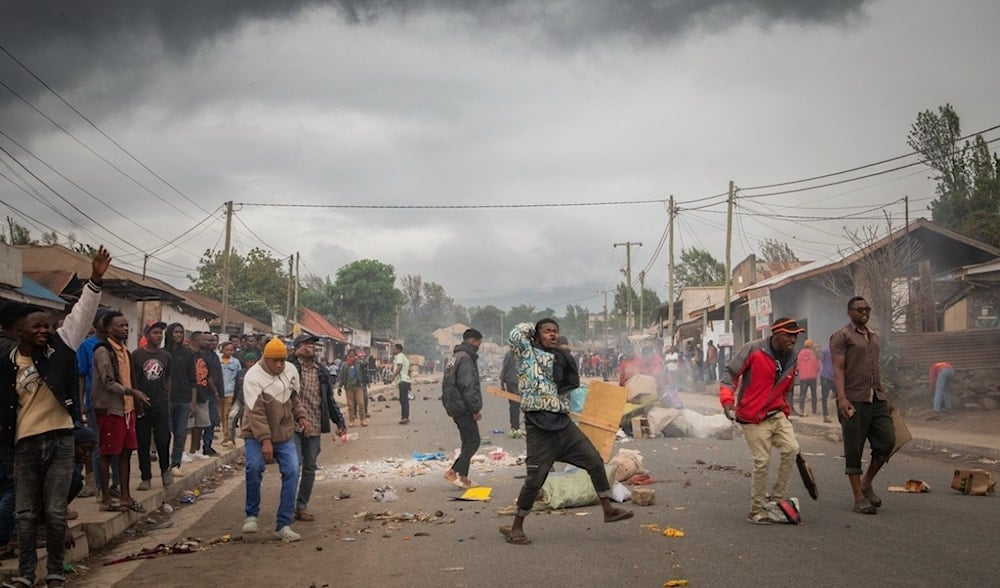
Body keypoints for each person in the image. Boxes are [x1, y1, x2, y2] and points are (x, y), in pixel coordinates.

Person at [0, 245, 108, 588]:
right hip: (24, 445)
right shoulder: (7, 362)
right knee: (25, 513)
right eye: (37, 326)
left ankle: (55, 573)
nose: (45, 330)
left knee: (56, 511)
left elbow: (81, 315)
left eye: (48, 326)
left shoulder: (60, 348)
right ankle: (26, 574)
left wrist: (94, 280)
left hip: (60, 440)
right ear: (19, 331)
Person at [501, 319, 632, 545]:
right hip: (539, 428)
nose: (552, 335)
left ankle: (608, 510)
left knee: (594, 461)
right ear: (536, 335)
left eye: (555, 331)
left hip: (563, 424)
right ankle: (516, 528)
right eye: (547, 331)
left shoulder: (562, 358)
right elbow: (514, 334)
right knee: (535, 480)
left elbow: (571, 384)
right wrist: (532, 329)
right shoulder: (527, 353)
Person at [720, 317, 803, 525]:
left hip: (777, 413)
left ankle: (776, 501)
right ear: (776, 334)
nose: (793, 340)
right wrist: (728, 401)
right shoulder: (754, 349)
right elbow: (730, 373)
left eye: (795, 336)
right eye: (788, 335)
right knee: (762, 461)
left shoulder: (793, 357)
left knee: (792, 449)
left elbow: (788, 389)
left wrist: (786, 411)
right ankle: (756, 510)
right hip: (752, 416)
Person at [831, 296, 896, 515]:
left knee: (887, 441)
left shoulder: (873, 336)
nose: (864, 312)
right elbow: (838, 369)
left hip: (876, 398)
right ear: (849, 312)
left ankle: (866, 483)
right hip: (853, 399)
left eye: (867, 309)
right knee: (854, 448)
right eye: (859, 309)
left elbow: (875, 369)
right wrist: (842, 398)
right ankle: (859, 497)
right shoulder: (841, 336)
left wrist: (884, 397)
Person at [241, 337, 308, 543]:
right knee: (254, 467)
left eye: (282, 360)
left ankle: (283, 524)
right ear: (265, 358)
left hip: (283, 432)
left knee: (293, 471)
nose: (279, 365)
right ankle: (251, 514)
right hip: (256, 433)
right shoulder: (253, 377)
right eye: (275, 361)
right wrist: (265, 440)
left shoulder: (291, 371)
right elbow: (256, 412)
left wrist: (301, 417)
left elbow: (294, 398)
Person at [92, 311, 151, 512]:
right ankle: (106, 498)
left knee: (126, 452)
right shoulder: (103, 351)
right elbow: (108, 382)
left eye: (126, 325)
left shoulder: (125, 351)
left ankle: (125, 495)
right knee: (107, 453)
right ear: (109, 329)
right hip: (111, 408)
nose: (125, 329)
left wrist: (134, 400)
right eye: (120, 326)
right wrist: (132, 392)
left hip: (128, 409)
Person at [289, 334, 346, 522]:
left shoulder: (321, 371)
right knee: (293, 466)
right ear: (298, 347)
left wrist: (340, 422)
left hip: (314, 426)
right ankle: (287, 507)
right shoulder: (290, 367)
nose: (312, 348)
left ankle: (301, 506)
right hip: (292, 425)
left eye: (313, 345)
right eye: (307, 344)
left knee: (309, 468)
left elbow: (329, 399)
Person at [131, 321, 173, 489]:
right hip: (142, 404)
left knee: (163, 439)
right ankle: (146, 477)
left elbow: (168, 379)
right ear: (147, 335)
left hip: (160, 404)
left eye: (160, 333)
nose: (159, 336)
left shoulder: (166, 356)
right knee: (143, 442)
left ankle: (165, 470)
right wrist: (136, 400)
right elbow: (133, 380)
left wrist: (166, 397)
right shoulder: (136, 355)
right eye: (155, 332)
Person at [441, 328, 484, 489]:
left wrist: (451, 408)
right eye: (478, 343)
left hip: (455, 405)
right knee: (473, 441)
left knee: (467, 441)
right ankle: (452, 471)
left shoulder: (454, 357)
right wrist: (475, 409)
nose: (479, 346)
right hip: (464, 406)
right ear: (473, 341)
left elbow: (447, 384)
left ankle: (463, 477)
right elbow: (468, 386)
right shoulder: (466, 358)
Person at [165, 323, 197, 477]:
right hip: (166, 400)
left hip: (184, 399)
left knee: (180, 433)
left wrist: (193, 402)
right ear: (170, 334)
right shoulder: (163, 353)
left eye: (181, 332)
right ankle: (164, 463)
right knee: (165, 433)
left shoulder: (188, 354)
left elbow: (193, 379)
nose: (178, 335)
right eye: (176, 332)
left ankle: (175, 464)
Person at [187, 332, 213, 460]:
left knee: (200, 425)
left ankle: (194, 451)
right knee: (187, 425)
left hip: (202, 393)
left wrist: (215, 391)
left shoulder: (202, 356)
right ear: (195, 340)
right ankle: (181, 452)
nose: (207, 342)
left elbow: (208, 375)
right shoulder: (187, 355)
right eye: (204, 340)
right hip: (189, 394)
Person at [219, 341, 241, 446]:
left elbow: (239, 377)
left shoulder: (235, 362)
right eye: (227, 350)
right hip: (219, 392)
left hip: (231, 392)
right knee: (221, 415)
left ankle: (228, 436)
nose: (229, 352)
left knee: (228, 414)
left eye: (231, 350)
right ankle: (225, 434)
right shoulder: (218, 361)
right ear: (222, 350)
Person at [340, 349, 368, 427]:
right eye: (350, 354)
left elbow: (365, 364)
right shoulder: (345, 365)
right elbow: (341, 376)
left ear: (355, 355)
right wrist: (339, 386)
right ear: (348, 355)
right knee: (350, 405)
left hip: (358, 386)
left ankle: (363, 419)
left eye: (353, 354)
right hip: (348, 387)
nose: (351, 355)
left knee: (361, 403)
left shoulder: (358, 363)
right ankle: (351, 420)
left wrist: (359, 359)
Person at [796, 339, 821, 417]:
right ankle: (814, 410)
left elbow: (797, 366)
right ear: (811, 345)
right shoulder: (813, 354)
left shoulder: (800, 354)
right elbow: (817, 366)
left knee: (802, 394)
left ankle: (801, 409)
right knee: (814, 394)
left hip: (803, 377)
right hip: (812, 377)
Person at [500, 349, 521, 436]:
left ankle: (514, 426)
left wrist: (502, 383)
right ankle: (516, 426)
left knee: (513, 405)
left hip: (511, 382)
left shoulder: (509, 354)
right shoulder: (525, 353)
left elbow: (504, 368)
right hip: (519, 382)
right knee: (517, 405)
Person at [390, 343, 411, 425]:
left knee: (404, 400)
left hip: (403, 380)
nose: (392, 350)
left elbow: (399, 367)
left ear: (399, 350)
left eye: (394, 349)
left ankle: (405, 417)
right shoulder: (403, 357)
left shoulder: (399, 356)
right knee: (403, 399)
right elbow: (409, 370)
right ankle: (404, 417)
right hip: (405, 380)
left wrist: (393, 377)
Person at [818, 343, 835, 423]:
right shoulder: (826, 351)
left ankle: (842, 414)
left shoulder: (838, 352)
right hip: (825, 377)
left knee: (840, 394)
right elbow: (819, 356)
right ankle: (825, 416)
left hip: (834, 377)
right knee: (824, 397)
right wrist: (818, 351)